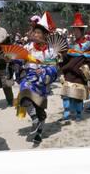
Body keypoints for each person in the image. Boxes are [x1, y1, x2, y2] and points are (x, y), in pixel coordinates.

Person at [14, 11, 58, 144]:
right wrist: (14, 59)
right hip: (29, 79)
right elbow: (20, 59)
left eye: (39, 33)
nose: (36, 35)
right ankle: (33, 118)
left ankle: (39, 131)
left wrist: (44, 71)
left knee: (41, 110)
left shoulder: (51, 51)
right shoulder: (27, 47)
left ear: (45, 35)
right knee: (24, 93)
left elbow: (54, 69)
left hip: (42, 83)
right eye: (35, 32)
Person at [58, 12, 90, 122]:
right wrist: (61, 56)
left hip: (80, 73)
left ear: (81, 31)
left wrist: (87, 67)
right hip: (70, 71)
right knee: (66, 93)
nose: (75, 32)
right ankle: (66, 113)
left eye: (77, 30)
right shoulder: (71, 44)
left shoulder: (89, 44)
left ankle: (79, 113)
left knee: (78, 95)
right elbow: (67, 57)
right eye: (74, 30)